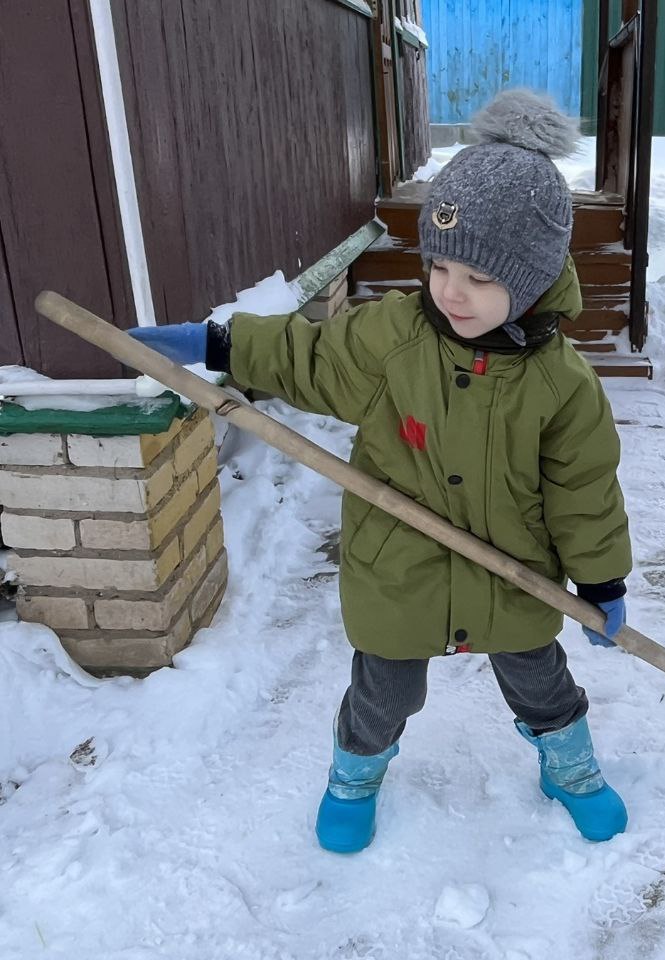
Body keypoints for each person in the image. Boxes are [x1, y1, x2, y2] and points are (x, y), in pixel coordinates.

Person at [131, 90, 633, 851]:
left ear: (530, 279)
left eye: (481, 277)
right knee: (383, 690)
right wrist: (220, 346)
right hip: (398, 566)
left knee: (541, 680)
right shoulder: (391, 339)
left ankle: (569, 766)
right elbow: (308, 356)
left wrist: (601, 581)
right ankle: (354, 776)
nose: (452, 291)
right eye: (442, 265)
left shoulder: (562, 383)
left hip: (513, 568)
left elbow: (584, 493)